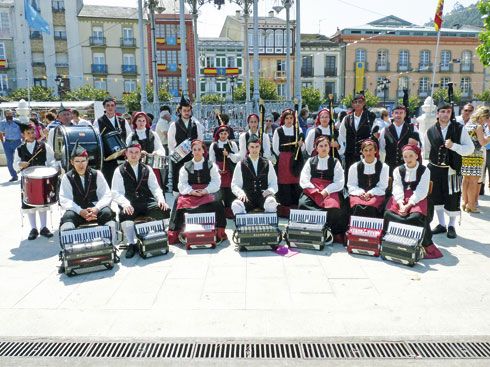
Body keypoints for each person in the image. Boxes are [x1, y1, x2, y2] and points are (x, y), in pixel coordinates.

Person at [111, 141, 170, 258]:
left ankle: (157, 237)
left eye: (136, 152)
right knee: (125, 214)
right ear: (126, 154)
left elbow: (155, 187)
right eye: (131, 152)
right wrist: (125, 204)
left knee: (164, 209)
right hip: (130, 203)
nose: (134, 155)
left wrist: (161, 200)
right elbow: (115, 192)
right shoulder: (119, 170)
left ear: (140, 154)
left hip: (146, 201)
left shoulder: (147, 168)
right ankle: (131, 243)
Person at [383, 144, 442, 259]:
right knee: (388, 213)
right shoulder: (398, 170)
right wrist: (400, 203)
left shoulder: (424, 170)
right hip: (401, 197)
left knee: (416, 216)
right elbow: (397, 187)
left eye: (411, 156)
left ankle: (416, 245)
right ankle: (392, 242)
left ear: (416, 156)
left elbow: (421, 190)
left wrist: (409, 204)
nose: (408, 159)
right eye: (405, 156)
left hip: (418, 198)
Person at [425, 102, 474, 239]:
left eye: (448, 112)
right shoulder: (430, 130)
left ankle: (451, 225)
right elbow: (427, 150)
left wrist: (454, 146)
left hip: (452, 171)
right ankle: (441, 224)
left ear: (451, 114)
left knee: (452, 198)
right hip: (435, 169)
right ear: (437, 113)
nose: (445, 114)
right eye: (443, 111)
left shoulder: (459, 128)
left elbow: (469, 149)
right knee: (437, 197)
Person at [167, 140, 227, 244]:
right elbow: (181, 184)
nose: (197, 152)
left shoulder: (211, 165)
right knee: (178, 201)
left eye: (199, 149)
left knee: (218, 201)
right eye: (194, 150)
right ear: (191, 151)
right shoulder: (185, 166)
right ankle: (175, 233)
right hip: (192, 192)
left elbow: (216, 182)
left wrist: (205, 190)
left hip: (208, 191)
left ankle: (218, 233)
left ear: (204, 150)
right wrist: (191, 191)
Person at [58, 143, 116, 245]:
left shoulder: (97, 174)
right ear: (72, 162)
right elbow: (64, 199)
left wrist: (96, 208)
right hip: (78, 211)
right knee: (67, 218)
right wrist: (80, 211)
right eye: (77, 161)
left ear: (87, 160)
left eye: (83, 161)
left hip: (95, 210)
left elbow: (107, 194)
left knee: (107, 213)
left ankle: (110, 245)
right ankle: (70, 248)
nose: (81, 164)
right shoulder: (67, 177)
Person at [298, 136, 348, 243]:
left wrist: (326, 191)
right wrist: (314, 190)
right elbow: (304, 179)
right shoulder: (311, 161)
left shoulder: (335, 162)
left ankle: (328, 231)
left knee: (334, 208)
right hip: (313, 190)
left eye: (326, 145)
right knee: (303, 203)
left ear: (329, 147)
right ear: (316, 148)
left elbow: (339, 181)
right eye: (321, 146)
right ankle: (313, 229)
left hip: (330, 190)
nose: (324, 148)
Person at [13, 123, 57, 240]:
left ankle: (43, 227)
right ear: (23, 135)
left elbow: (51, 160)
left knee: (42, 203)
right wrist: (19, 164)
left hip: (42, 178)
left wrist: (52, 169)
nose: (32, 135)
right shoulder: (19, 149)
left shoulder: (44, 146)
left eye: (33, 132)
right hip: (27, 181)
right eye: (28, 133)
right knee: (29, 204)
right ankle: (33, 228)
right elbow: (15, 164)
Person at [231, 135, 278, 215]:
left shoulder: (267, 163)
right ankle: (242, 226)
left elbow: (274, 183)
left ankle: (269, 225)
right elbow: (235, 185)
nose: (254, 149)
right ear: (248, 148)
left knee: (271, 202)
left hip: (263, 196)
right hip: (247, 197)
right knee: (236, 205)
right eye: (252, 147)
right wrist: (240, 193)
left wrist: (269, 191)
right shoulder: (241, 164)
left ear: (260, 147)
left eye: (257, 147)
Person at [167, 95, 204, 195]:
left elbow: (200, 140)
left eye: (188, 110)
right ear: (180, 111)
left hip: (192, 158)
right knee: (178, 183)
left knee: (192, 182)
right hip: (179, 159)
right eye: (184, 110)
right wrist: (177, 154)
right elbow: (171, 144)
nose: (187, 113)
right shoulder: (173, 125)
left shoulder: (196, 124)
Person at [272, 108, 304, 217]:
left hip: (296, 160)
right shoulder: (279, 130)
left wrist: (300, 145)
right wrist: (284, 157)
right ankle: (285, 210)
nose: (289, 120)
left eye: (291, 118)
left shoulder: (298, 130)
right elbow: (276, 148)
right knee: (284, 183)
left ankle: (295, 210)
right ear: (283, 119)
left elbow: (303, 149)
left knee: (295, 182)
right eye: (287, 118)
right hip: (284, 160)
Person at [94, 97, 132, 186]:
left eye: (112, 105)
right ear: (104, 107)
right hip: (108, 157)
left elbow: (129, 136)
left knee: (123, 179)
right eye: (108, 105)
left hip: (122, 156)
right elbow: (97, 139)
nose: (110, 108)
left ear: (115, 107)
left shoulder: (122, 121)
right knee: (109, 179)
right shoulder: (99, 121)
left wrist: (126, 150)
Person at [347, 139, 389, 217]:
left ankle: (372, 227)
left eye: (370, 150)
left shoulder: (384, 167)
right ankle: (356, 227)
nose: (368, 153)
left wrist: (370, 193)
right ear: (362, 152)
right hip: (358, 194)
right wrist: (361, 193)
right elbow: (351, 185)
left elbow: (382, 186)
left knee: (372, 205)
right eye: (365, 150)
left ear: (375, 151)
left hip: (376, 193)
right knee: (357, 204)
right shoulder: (354, 167)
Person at [126, 111, 166, 189]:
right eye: (139, 121)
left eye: (143, 121)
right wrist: (139, 153)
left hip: (152, 165)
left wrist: (156, 152)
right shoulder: (131, 136)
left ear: (146, 122)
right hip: (136, 165)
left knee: (154, 187)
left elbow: (160, 149)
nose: (141, 123)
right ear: (135, 122)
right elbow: (127, 151)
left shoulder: (153, 134)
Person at [461, 106, 490, 213]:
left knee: (466, 180)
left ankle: (465, 202)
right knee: (473, 182)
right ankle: (472, 205)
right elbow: (482, 142)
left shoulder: (468, 124)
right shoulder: (478, 126)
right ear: (483, 116)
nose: (487, 121)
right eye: (487, 118)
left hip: (466, 155)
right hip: (475, 156)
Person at [339, 93, 377, 173]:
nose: (357, 104)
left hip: (366, 153)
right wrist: (345, 147)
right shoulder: (347, 118)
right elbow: (342, 134)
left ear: (364, 103)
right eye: (355, 102)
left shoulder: (370, 116)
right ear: (352, 104)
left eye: (360, 102)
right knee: (350, 174)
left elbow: (375, 133)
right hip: (350, 153)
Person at [378, 105, 420, 176]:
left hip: (407, 165)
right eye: (396, 113)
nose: (398, 115)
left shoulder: (412, 128)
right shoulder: (385, 130)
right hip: (390, 166)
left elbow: (418, 147)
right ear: (392, 114)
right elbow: (382, 148)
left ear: (405, 114)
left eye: (401, 113)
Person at [209, 125, 240, 218]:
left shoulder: (232, 144)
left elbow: (237, 158)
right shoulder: (214, 145)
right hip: (218, 170)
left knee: (230, 190)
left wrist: (229, 154)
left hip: (230, 169)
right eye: (221, 133)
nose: (223, 136)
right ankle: (219, 212)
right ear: (218, 134)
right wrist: (217, 170)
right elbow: (212, 160)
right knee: (219, 190)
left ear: (228, 134)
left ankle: (230, 211)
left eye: (225, 133)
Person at [0, 109, 22, 182]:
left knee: (20, 158)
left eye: (10, 114)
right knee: (10, 160)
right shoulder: (2, 122)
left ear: (13, 114)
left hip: (17, 142)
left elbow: (23, 131)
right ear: (5, 115)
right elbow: (1, 132)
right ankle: (14, 176)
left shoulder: (17, 121)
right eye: (7, 114)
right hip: (7, 143)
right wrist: (3, 142)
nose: (9, 115)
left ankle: (23, 174)